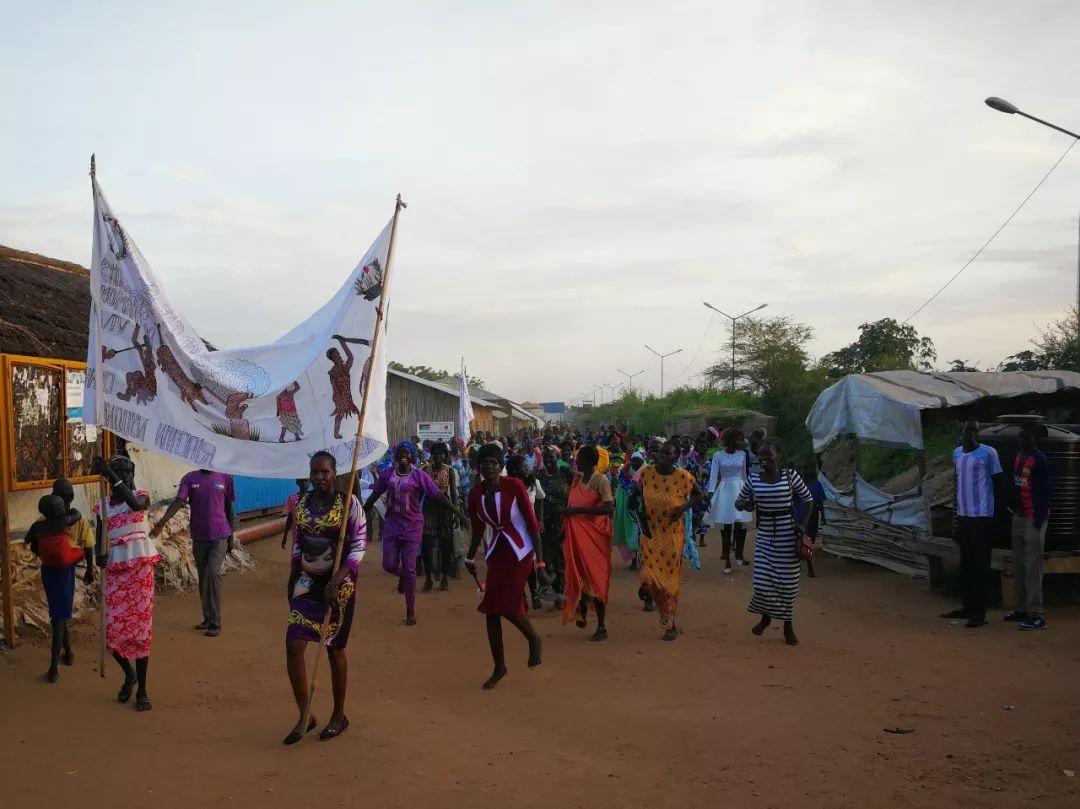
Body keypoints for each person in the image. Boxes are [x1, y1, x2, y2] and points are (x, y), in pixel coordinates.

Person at [283, 451, 366, 744]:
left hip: (338, 586)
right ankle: (305, 714)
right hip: (307, 582)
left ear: (334, 473)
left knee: (333, 648)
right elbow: (298, 543)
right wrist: (293, 575)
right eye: (314, 472)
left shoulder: (348, 504)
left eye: (324, 472)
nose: (319, 477)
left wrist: (337, 579)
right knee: (294, 645)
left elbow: (357, 547)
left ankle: (338, 715)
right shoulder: (301, 504)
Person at [464, 444, 543, 690]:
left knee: (508, 605)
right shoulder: (475, 493)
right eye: (484, 463)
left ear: (500, 466)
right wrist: (469, 558)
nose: (489, 467)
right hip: (497, 552)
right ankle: (499, 666)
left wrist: (540, 562)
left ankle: (533, 638)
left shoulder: (514, 486)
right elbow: (477, 529)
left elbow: (532, 524)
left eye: (493, 463)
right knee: (491, 610)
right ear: (479, 467)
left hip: (520, 551)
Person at [364, 441, 464, 625]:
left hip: (413, 526)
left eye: (407, 453)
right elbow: (374, 496)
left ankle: (410, 610)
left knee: (410, 569)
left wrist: (458, 513)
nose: (404, 456)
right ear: (395, 456)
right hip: (392, 525)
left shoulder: (420, 476)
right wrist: (360, 513)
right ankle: (402, 575)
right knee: (388, 564)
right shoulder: (387, 475)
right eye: (400, 453)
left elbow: (439, 496)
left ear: (412, 456)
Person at [92, 455, 157, 711]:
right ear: (109, 480)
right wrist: (99, 555)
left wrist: (111, 473)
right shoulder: (103, 506)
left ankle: (142, 689)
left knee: (141, 633)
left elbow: (133, 505)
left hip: (140, 573)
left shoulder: (141, 496)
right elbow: (100, 537)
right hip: (115, 574)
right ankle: (128, 674)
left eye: (129, 473)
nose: (127, 478)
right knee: (111, 633)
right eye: (121, 473)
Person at [735, 440, 814, 646]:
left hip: (788, 535)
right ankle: (766, 617)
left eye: (768, 455)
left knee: (788, 585)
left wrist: (803, 524)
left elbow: (808, 500)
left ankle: (788, 625)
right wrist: (746, 504)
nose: (763, 459)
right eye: (761, 456)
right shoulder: (754, 478)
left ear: (778, 457)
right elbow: (739, 501)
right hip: (765, 535)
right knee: (762, 582)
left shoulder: (790, 476)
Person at [151, 468, 237, 637]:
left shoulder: (225, 477)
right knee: (203, 578)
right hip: (199, 536)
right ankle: (207, 617)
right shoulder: (190, 478)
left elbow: (228, 506)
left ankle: (215, 622)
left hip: (220, 535)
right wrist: (162, 522)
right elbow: (178, 501)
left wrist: (231, 535)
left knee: (213, 573)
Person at [634, 441, 705, 640]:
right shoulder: (647, 472)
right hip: (650, 533)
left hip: (672, 535)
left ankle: (669, 622)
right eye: (661, 453)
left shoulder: (683, 477)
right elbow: (638, 489)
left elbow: (700, 495)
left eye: (668, 453)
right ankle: (654, 600)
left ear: (676, 456)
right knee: (649, 576)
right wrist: (635, 497)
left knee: (669, 583)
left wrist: (682, 508)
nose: (663, 456)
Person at [25, 492, 93, 682]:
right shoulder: (65, 521)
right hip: (64, 571)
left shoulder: (39, 526)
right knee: (58, 618)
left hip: (49, 570)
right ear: (58, 510)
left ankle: (69, 653)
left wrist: (43, 552)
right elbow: (78, 514)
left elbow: (30, 541)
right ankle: (53, 668)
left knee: (58, 613)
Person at [942, 421, 1003, 629]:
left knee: (980, 565)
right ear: (962, 432)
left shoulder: (989, 453)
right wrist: (956, 515)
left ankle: (979, 613)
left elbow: (998, 483)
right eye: (969, 430)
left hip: (982, 517)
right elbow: (957, 483)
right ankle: (967, 606)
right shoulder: (957, 454)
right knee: (966, 563)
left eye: (976, 431)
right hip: (964, 516)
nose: (973, 434)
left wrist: (995, 515)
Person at [561, 444, 615, 641]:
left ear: (590, 461)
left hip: (594, 537)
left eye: (580, 458)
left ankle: (602, 626)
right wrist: (563, 528)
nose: (577, 461)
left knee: (596, 576)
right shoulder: (576, 479)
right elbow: (570, 506)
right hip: (574, 534)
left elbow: (609, 508)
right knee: (577, 573)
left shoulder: (600, 481)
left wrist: (577, 513)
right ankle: (581, 608)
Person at [1005, 423, 1052, 631]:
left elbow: (1045, 492)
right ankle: (1023, 608)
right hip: (1019, 517)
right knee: (1020, 566)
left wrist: (1038, 520)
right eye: (1020, 437)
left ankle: (1037, 614)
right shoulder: (1018, 457)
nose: (1021, 441)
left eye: (1025, 437)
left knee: (1033, 568)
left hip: (1034, 519)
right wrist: (1013, 509)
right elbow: (1015, 485)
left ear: (1034, 439)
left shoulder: (1040, 460)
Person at [707, 427, 753, 574]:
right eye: (738, 439)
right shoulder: (718, 456)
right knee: (727, 526)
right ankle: (726, 558)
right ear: (729, 440)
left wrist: (748, 493)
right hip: (725, 490)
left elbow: (745, 475)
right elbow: (714, 476)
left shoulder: (743, 455)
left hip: (740, 489)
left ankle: (739, 553)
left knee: (741, 525)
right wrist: (710, 493)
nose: (740, 442)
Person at [421, 442, 460, 592]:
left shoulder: (450, 471)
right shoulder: (425, 470)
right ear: (432, 456)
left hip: (445, 508)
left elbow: (454, 492)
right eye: (436, 455)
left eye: (441, 455)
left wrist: (456, 512)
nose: (438, 457)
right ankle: (429, 578)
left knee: (445, 544)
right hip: (429, 508)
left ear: (445, 456)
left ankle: (444, 577)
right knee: (427, 545)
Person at [538, 449, 570, 597]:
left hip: (561, 520)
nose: (548, 460)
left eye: (551, 457)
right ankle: (552, 588)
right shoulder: (540, 475)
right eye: (545, 457)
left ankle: (561, 589)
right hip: (544, 520)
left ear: (557, 457)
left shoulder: (565, 474)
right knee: (546, 554)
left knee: (560, 554)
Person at [793, 466, 827, 578]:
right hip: (811, 517)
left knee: (803, 541)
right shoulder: (817, 485)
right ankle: (809, 566)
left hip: (802, 517)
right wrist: (823, 516)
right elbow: (820, 503)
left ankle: (803, 563)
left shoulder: (798, 486)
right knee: (807, 541)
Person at [281, 479, 310, 551]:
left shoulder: (313, 497)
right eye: (301, 481)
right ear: (297, 482)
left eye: (306, 481)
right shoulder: (292, 498)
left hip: (310, 535)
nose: (304, 483)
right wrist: (285, 537)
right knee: (296, 555)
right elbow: (290, 518)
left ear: (310, 482)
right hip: (296, 534)